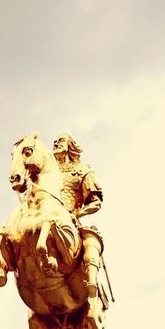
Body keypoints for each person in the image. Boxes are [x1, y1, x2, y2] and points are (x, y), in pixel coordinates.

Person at [51, 133, 108, 313]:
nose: (55, 143)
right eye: (55, 141)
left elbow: (96, 202)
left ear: (70, 146)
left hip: (70, 220)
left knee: (91, 240)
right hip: (46, 218)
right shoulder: (47, 172)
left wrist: (78, 213)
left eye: (60, 141)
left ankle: (91, 280)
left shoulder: (83, 171)